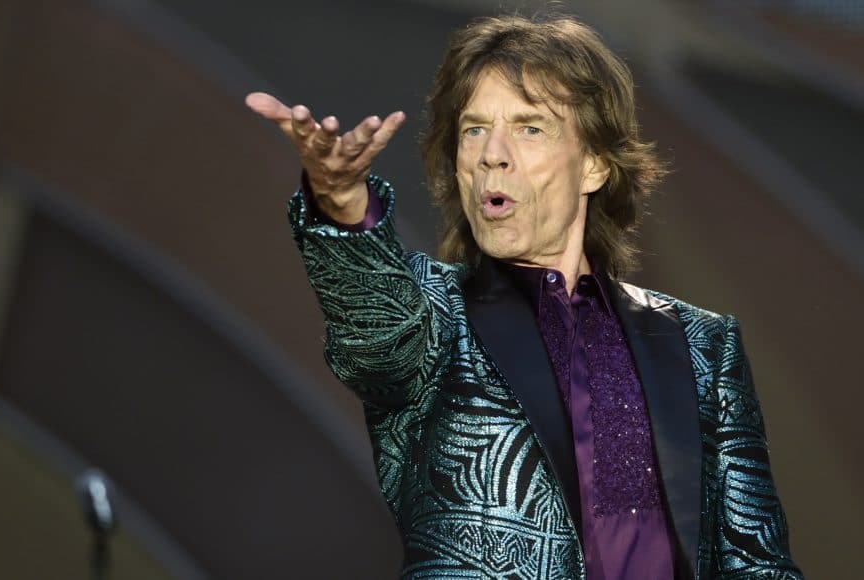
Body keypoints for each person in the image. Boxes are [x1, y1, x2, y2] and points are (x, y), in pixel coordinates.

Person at [246, 14, 801, 580]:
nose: (494, 154)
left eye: (530, 128)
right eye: (474, 129)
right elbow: (375, 328)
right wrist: (340, 202)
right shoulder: (433, 315)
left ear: (594, 164)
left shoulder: (702, 344)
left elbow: (758, 562)